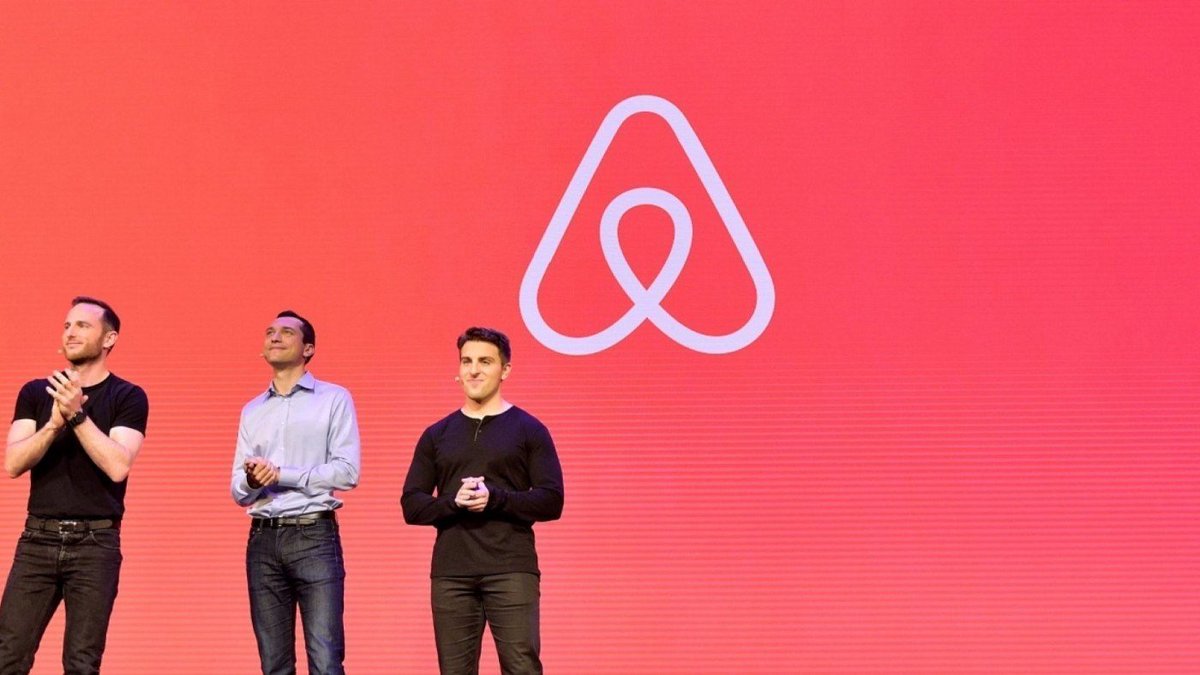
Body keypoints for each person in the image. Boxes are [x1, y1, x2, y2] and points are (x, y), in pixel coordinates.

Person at [0, 296, 149, 674]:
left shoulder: (128, 396)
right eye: (67, 325)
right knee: (8, 655)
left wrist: (77, 416)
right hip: (37, 539)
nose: (70, 332)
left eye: (82, 325)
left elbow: (118, 466)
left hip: (96, 544)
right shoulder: (36, 392)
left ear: (109, 339)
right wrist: (54, 423)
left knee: (82, 662)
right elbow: (13, 463)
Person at [402, 327, 564, 675]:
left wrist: (496, 499)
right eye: (467, 361)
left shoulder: (529, 429)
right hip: (452, 573)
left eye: (485, 362)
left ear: (505, 370)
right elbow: (412, 505)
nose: (474, 370)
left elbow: (551, 500)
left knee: (522, 667)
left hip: (511, 569)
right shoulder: (437, 434)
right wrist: (453, 503)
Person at [231, 311, 360, 675]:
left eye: (287, 332)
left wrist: (282, 474)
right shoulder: (252, 410)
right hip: (262, 539)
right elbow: (237, 489)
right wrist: (252, 481)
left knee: (325, 658)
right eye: (269, 332)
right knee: (274, 663)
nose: (275, 337)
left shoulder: (334, 398)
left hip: (313, 535)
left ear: (308, 349)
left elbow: (347, 471)